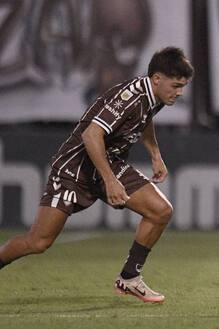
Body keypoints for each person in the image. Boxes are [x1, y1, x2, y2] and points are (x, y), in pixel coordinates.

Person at [0, 46, 194, 304]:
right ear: (157, 78)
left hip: (107, 162)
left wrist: (155, 154)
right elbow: (91, 135)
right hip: (74, 169)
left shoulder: (154, 96)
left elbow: (146, 119)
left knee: (160, 210)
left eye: (183, 86)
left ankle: (129, 279)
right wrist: (110, 181)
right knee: (38, 242)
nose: (179, 92)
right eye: (176, 85)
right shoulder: (129, 98)